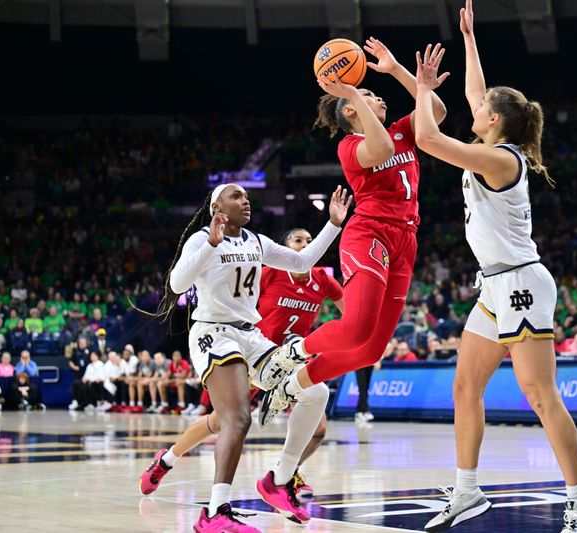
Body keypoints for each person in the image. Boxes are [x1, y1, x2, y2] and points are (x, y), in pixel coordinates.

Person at [409, 3, 577, 532]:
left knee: (540, 395)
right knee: (464, 388)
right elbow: (478, 94)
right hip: (495, 285)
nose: (474, 110)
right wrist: (469, 39)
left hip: (520, 282)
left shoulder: (500, 159)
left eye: (481, 110)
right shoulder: (492, 141)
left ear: (494, 122)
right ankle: (468, 491)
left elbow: (427, 140)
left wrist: (424, 89)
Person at [256, 36, 448, 426]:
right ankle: (289, 354)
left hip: (405, 240)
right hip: (369, 235)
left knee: (370, 349)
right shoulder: (350, 145)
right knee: (356, 326)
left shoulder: (400, 130)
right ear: (350, 108)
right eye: (370, 95)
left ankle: (290, 386)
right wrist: (352, 91)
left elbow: (438, 111)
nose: (380, 99)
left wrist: (396, 69)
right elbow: (379, 151)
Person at [137, 183, 348, 532]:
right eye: (236, 196)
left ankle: (279, 480)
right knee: (235, 420)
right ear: (217, 206)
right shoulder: (202, 238)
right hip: (214, 333)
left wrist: (334, 225)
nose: (245, 201)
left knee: (316, 392)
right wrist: (210, 245)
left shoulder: (256, 241)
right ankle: (214, 513)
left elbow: (303, 261)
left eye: (247, 197)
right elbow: (176, 285)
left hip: (251, 335)